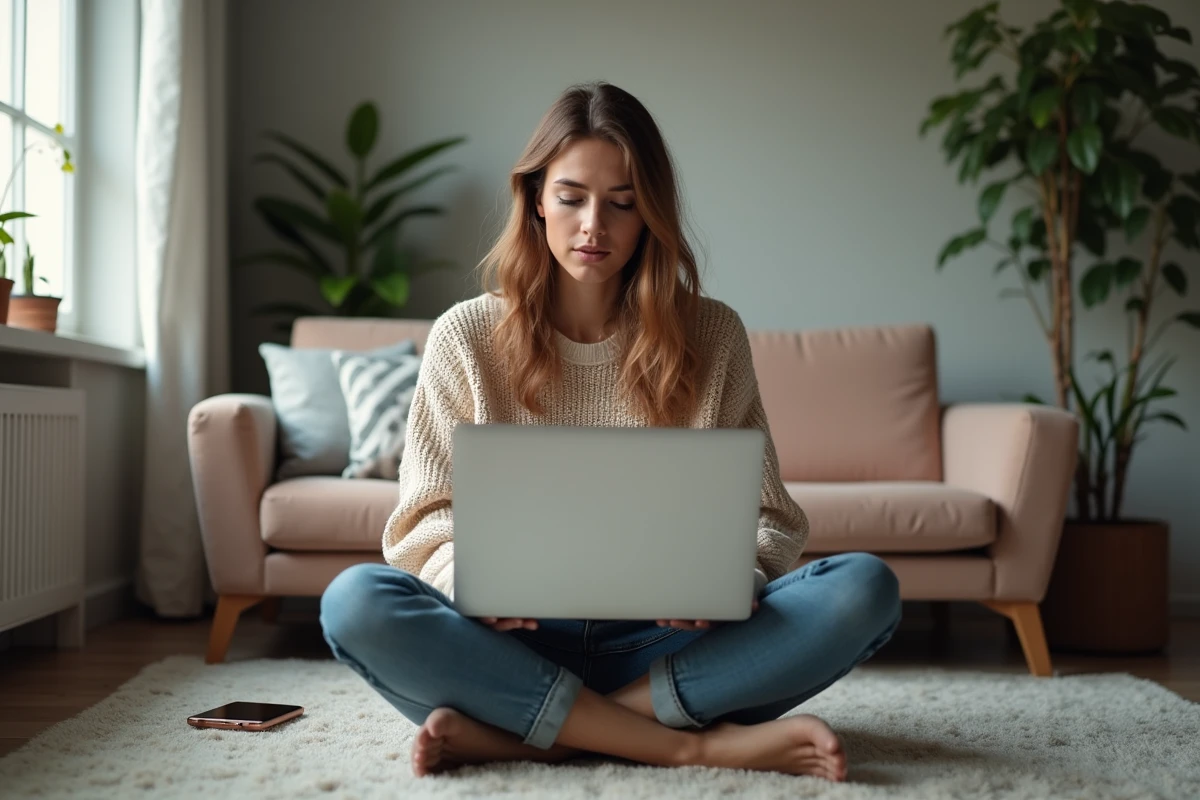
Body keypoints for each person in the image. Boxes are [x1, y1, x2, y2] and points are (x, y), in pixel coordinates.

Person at [319, 81, 901, 782]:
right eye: (571, 197)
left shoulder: (711, 334)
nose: (594, 225)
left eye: (622, 203)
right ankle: (687, 743)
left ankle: (529, 732)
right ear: (535, 198)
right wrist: (462, 575)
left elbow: (772, 519)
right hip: (511, 643)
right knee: (354, 601)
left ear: (649, 213)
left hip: (667, 645)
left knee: (863, 589)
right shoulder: (466, 336)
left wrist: (729, 579)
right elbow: (421, 520)